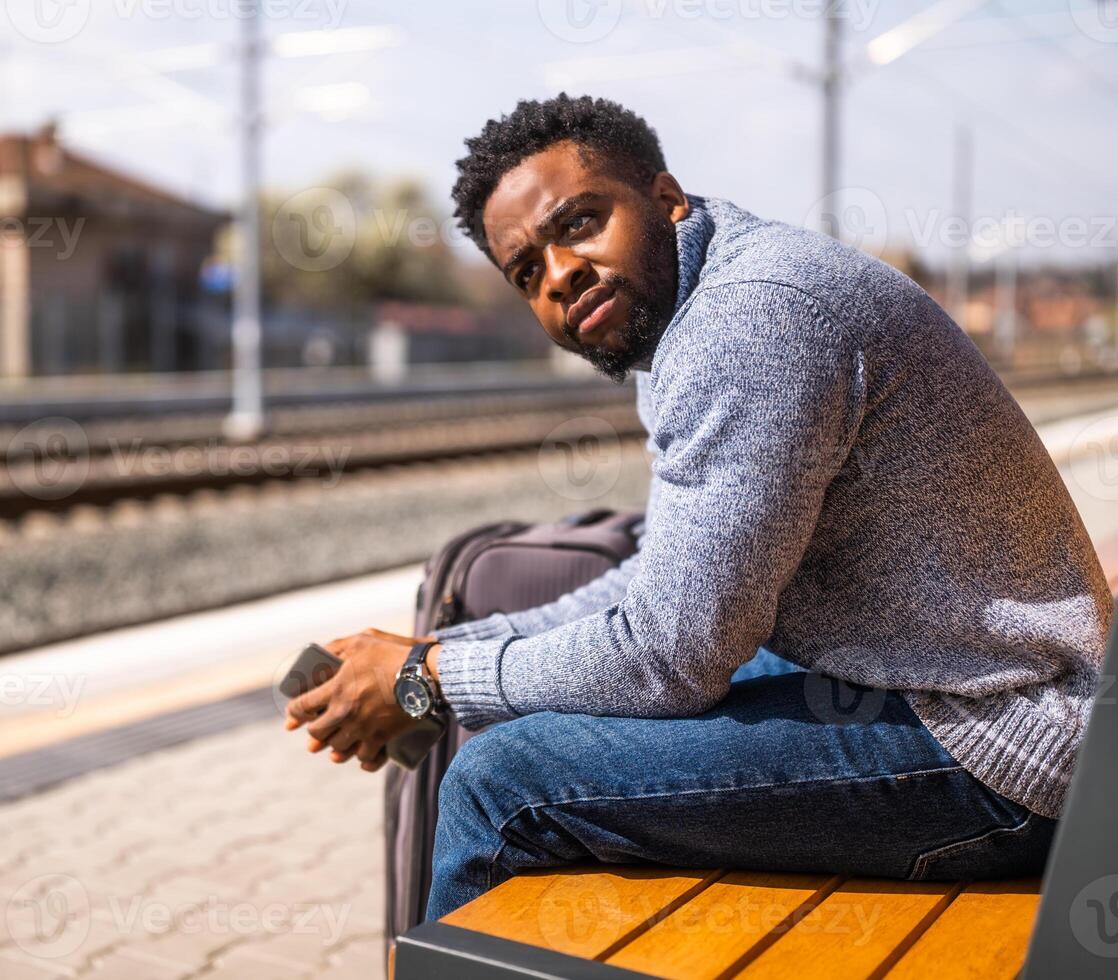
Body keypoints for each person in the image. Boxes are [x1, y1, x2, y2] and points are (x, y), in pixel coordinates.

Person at [284, 94, 1112, 920]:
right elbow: (663, 595)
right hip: (927, 677)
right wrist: (438, 652)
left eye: (578, 223)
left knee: (501, 782)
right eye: (527, 271)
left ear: (666, 198)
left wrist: (427, 681)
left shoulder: (750, 318)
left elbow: (667, 659)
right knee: (540, 703)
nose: (560, 275)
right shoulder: (703, 311)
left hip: (1005, 742)